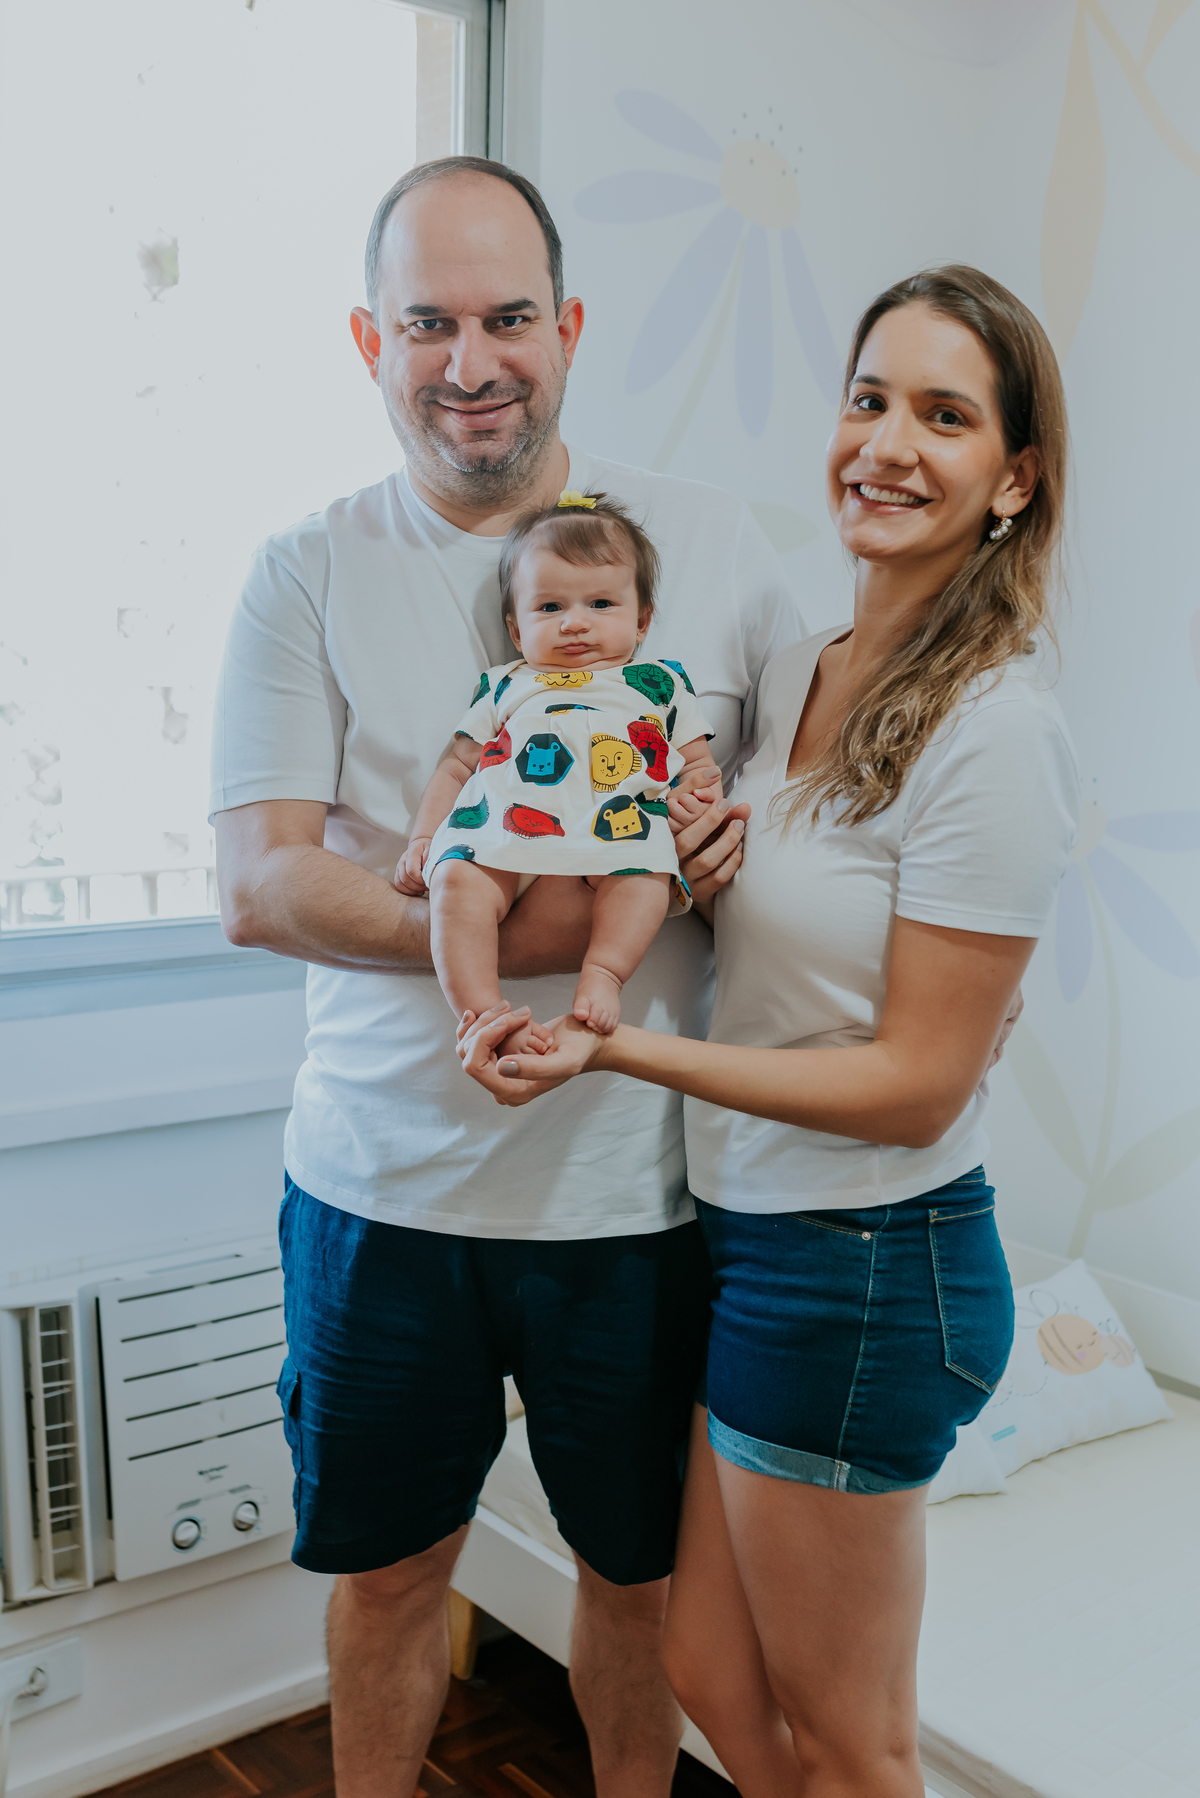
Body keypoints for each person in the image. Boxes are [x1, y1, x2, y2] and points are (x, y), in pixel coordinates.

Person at [211, 155, 803, 1798]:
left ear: (571, 326)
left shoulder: (713, 545)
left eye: (508, 318)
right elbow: (261, 883)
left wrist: (869, 915)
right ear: (370, 340)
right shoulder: (306, 567)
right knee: (392, 1577)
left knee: (638, 1582)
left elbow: (815, 805)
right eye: (427, 323)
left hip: (636, 1198)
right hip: (381, 1191)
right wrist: (541, 938)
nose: (470, 362)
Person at [459, 265, 1081, 1797]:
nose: (888, 442)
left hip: (864, 1263)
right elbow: (742, 894)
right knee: (706, 1666)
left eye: (945, 415)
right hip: (750, 1238)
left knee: (855, 1743)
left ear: (1014, 478)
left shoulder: (996, 727)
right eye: (870, 398)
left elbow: (919, 1087)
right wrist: (691, 847)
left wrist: (616, 1045)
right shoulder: (803, 664)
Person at [397, 491, 717, 1041]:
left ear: (642, 620)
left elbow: (701, 767)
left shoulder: (660, 683)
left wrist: (693, 795)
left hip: (619, 828)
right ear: (516, 630)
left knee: (649, 876)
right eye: (550, 608)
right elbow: (456, 768)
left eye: (601, 604)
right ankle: (482, 1012)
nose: (574, 623)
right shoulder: (506, 683)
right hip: (504, 828)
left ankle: (604, 973)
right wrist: (424, 837)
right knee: (455, 881)